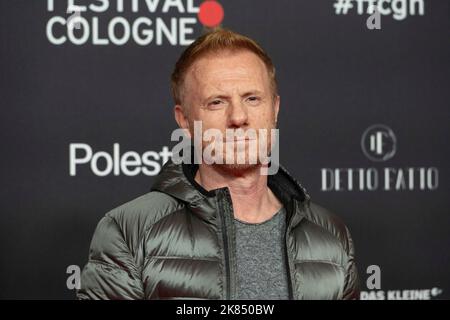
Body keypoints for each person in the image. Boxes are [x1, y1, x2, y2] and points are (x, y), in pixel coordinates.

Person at [77, 28, 359, 300]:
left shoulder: (330, 235)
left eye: (252, 98)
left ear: (274, 110)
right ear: (184, 120)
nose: (238, 117)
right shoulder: (129, 232)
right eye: (216, 102)